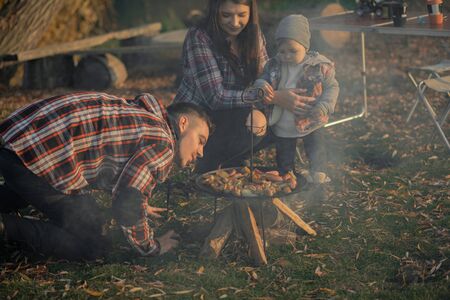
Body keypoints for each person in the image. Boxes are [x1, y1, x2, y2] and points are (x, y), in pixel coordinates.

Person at [0, 92, 212, 260]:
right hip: (35, 158)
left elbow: (113, 162)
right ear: (183, 123)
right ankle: (6, 228)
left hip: (15, 143)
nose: (201, 152)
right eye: (201, 140)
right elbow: (128, 200)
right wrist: (151, 247)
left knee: (34, 185)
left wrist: (141, 202)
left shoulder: (143, 116)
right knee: (94, 242)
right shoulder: (162, 143)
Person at [173, 0, 275, 173]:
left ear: (251, 13)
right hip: (200, 117)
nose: (235, 23)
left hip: (234, 110)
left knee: (283, 120)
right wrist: (262, 95)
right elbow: (216, 97)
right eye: (226, 15)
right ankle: (207, 164)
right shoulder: (199, 36)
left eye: (242, 15)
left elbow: (267, 78)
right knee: (256, 120)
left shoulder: (254, 35)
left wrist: (297, 94)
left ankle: (233, 160)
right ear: (215, 11)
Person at [255, 14, 339, 183]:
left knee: (315, 145)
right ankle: (287, 175)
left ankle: (318, 172)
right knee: (284, 150)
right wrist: (261, 84)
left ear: (305, 47)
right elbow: (263, 78)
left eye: (293, 51)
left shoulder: (319, 66)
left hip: (311, 116)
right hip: (283, 119)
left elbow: (333, 87)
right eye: (282, 51)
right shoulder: (274, 65)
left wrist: (324, 106)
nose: (286, 56)